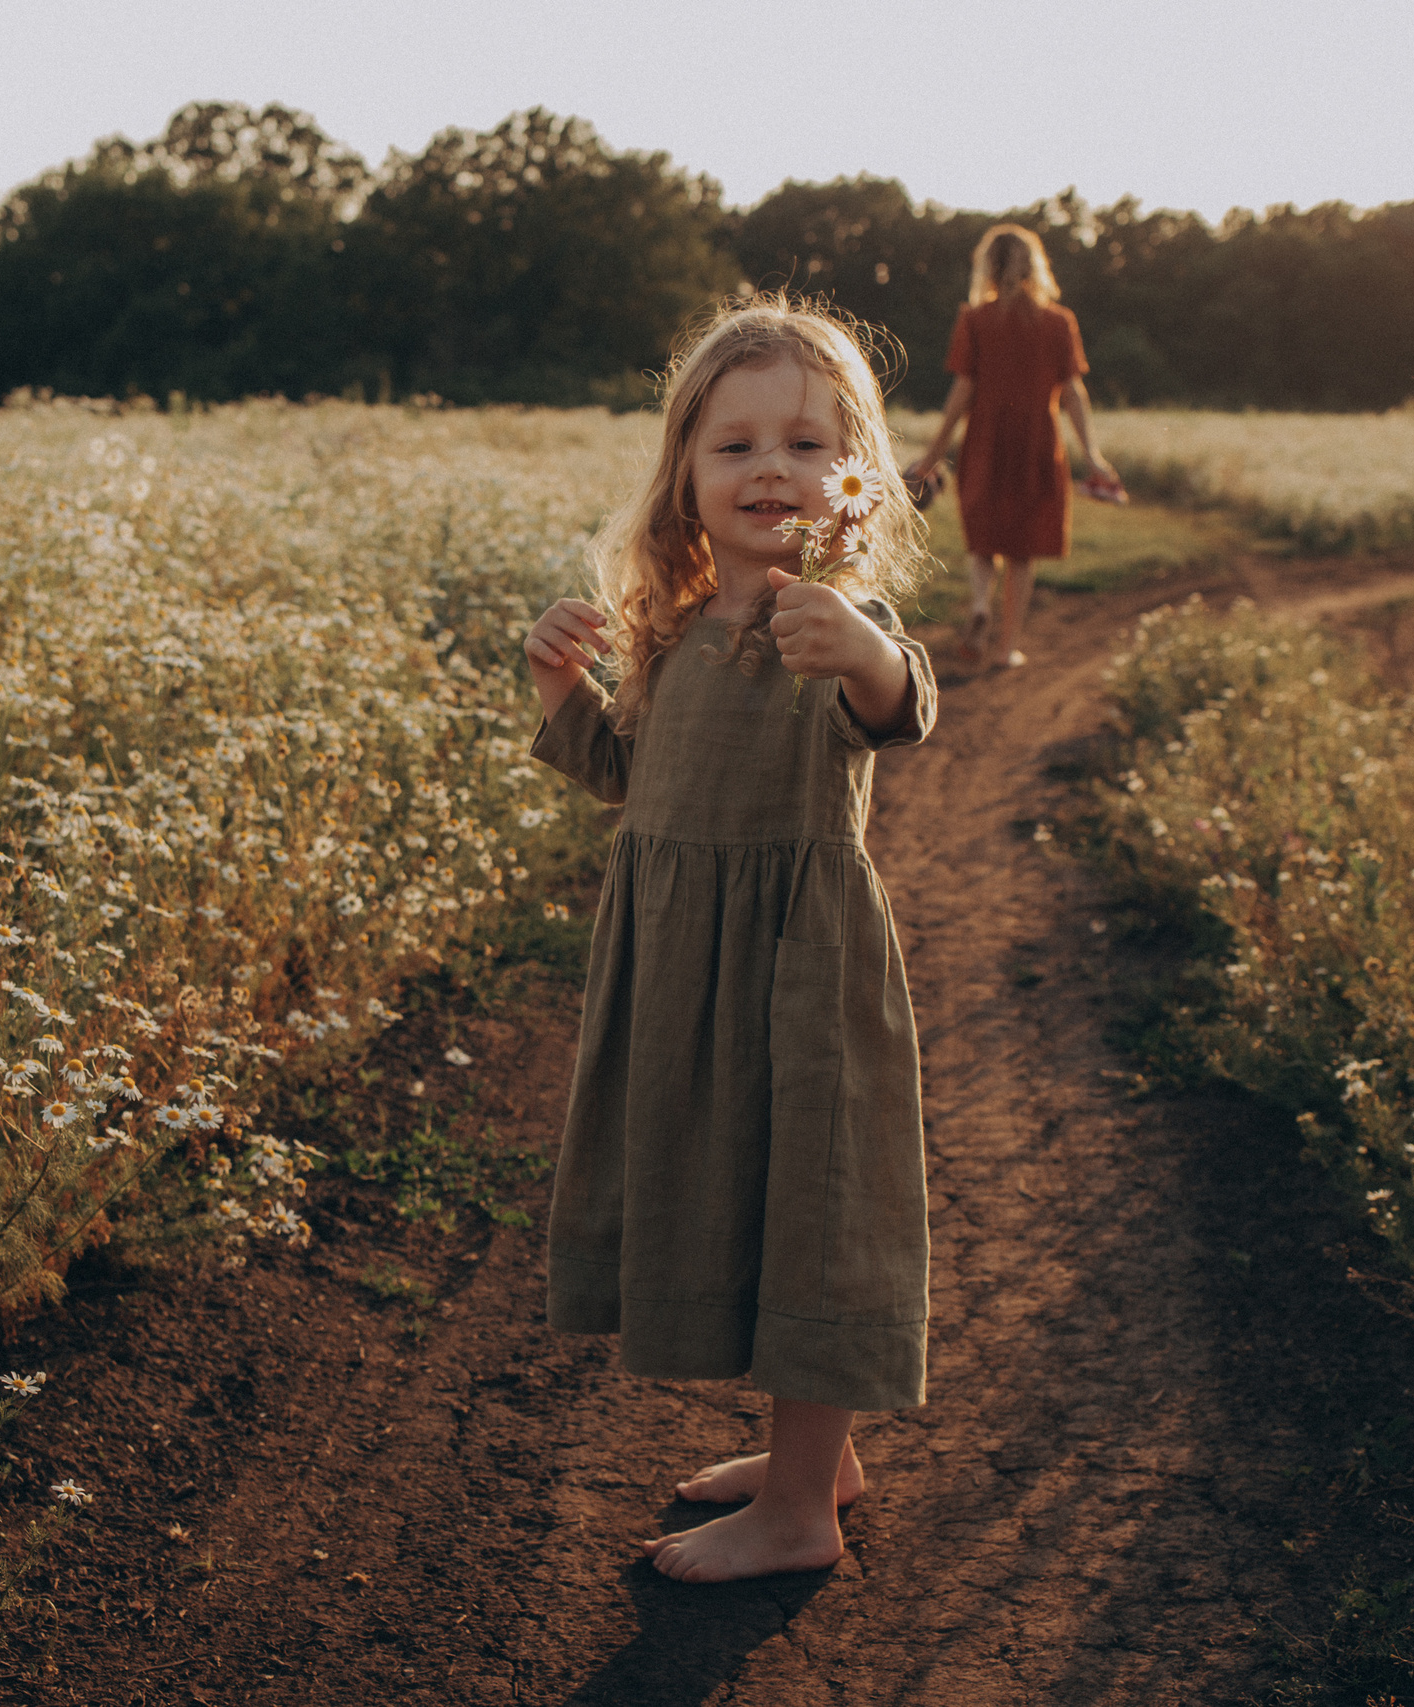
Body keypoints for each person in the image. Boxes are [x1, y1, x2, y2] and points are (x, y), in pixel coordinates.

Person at [521, 297, 937, 1584]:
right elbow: (628, 779)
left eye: (810, 446)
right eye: (737, 445)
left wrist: (863, 648)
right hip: (681, 975)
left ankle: (800, 1513)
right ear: (685, 476)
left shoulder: (832, 623)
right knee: (742, 1198)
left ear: (855, 479)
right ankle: (821, 1458)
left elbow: (901, 701)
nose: (773, 470)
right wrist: (560, 689)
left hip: (798, 975)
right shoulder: (671, 629)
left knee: (811, 1210)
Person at [904, 222, 1119, 670]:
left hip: (986, 439)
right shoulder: (1059, 321)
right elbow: (1075, 394)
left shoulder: (975, 320)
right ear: (1035, 266)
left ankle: (981, 602)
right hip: (1038, 443)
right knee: (1021, 550)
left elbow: (961, 395)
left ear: (989, 266)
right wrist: (1092, 454)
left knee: (983, 538)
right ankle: (1007, 648)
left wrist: (932, 455)